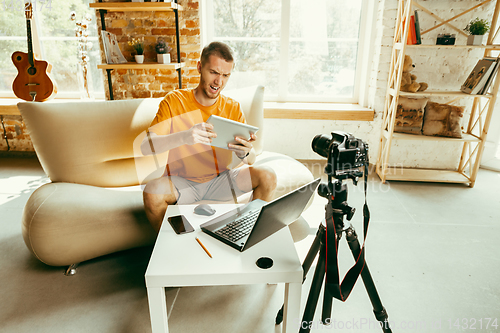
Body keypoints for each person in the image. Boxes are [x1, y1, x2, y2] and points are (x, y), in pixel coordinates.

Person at [141, 41, 277, 232]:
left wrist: (245, 153)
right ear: (199, 67)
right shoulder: (174, 101)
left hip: (221, 180)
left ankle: (247, 234)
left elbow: (251, 159)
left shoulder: (233, 107)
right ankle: (171, 248)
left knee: (268, 176)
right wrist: (186, 137)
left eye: (225, 75)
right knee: (152, 192)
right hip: (182, 182)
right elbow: (146, 147)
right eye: (213, 72)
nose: (218, 82)